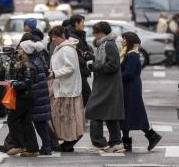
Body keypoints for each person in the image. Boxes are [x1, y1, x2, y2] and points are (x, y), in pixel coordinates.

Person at [85, 21, 125, 153]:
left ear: (102, 32)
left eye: (96, 32)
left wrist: (94, 66)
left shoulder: (109, 45)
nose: (94, 35)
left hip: (108, 84)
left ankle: (99, 142)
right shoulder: (103, 45)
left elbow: (113, 65)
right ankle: (116, 142)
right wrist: (91, 58)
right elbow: (104, 62)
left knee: (93, 110)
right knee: (109, 113)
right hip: (104, 83)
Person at [120, 32, 162, 152]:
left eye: (123, 39)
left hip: (130, 88)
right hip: (128, 87)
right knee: (127, 114)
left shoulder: (132, 55)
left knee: (134, 113)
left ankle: (152, 136)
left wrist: (116, 75)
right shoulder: (128, 53)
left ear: (129, 41)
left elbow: (128, 74)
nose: (121, 41)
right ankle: (127, 143)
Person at [48, 26, 84, 152]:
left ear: (62, 35)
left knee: (66, 117)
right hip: (61, 87)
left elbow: (70, 68)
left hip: (67, 89)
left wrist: (55, 73)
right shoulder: (61, 48)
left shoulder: (66, 49)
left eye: (55, 36)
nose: (53, 39)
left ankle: (69, 141)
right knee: (63, 117)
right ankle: (67, 141)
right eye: (51, 36)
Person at [6, 41, 40, 157]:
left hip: (25, 96)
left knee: (12, 119)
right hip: (26, 96)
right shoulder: (24, 63)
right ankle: (32, 149)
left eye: (20, 49)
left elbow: (28, 82)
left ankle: (19, 145)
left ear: (26, 51)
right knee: (26, 122)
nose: (18, 50)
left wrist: (14, 84)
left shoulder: (28, 65)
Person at [65, 14, 93, 107]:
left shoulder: (76, 35)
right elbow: (78, 54)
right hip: (78, 71)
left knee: (84, 95)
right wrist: (86, 57)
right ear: (76, 23)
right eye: (82, 22)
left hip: (80, 70)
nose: (83, 25)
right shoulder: (73, 37)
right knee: (87, 95)